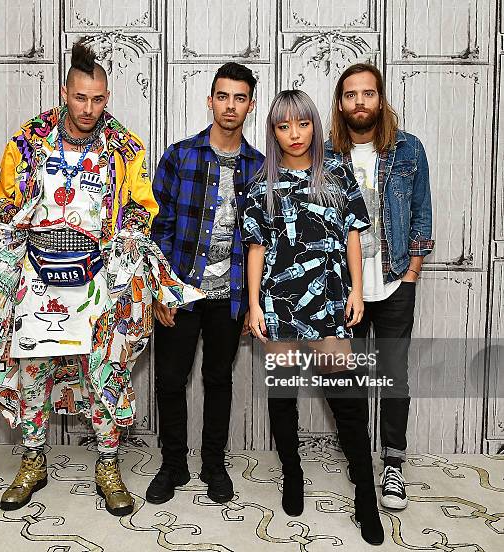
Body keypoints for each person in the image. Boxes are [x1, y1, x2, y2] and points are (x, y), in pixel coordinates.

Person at [0, 40, 202, 516]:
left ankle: (108, 465)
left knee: (105, 375)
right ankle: (33, 461)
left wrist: (132, 255)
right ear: (64, 91)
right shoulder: (28, 141)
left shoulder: (126, 147)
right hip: (38, 274)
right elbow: (5, 205)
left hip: (97, 277)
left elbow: (139, 210)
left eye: (98, 99)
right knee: (32, 372)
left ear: (106, 97)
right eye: (80, 98)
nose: (89, 109)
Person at [243, 89, 384, 545]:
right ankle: (292, 475)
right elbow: (256, 249)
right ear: (274, 132)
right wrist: (253, 305)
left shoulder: (338, 173)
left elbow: (353, 237)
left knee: (346, 402)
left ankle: (366, 495)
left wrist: (358, 290)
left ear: (314, 126)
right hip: (280, 305)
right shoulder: (262, 183)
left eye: (302, 124)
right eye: (283, 126)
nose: (294, 134)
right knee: (283, 396)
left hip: (330, 305)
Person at [147, 62, 264, 505]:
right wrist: (161, 288)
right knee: (171, 380)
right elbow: (157, 229)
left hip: (229, 297)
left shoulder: (259, 165)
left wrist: (255, 303)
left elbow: (261, 238)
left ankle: (214, 465)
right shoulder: (181, 155)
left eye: (239, 98)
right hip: (181, 292)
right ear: (210, 100)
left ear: (249, 105)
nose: (230, 106)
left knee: (218, 379)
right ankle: (173, 464)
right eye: (223, 96)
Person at [326, 63, 434, 510]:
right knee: (345, 377)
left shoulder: (409, 149)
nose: (360, 103)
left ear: (381, 98)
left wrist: (410, 275)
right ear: (340, 103)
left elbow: (422, 214)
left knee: (393, 377)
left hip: (393, 284)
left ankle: (392, 463)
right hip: (343, 289)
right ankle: (358, 458)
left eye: (368, 94)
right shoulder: (326, 154)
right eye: (351, 95)